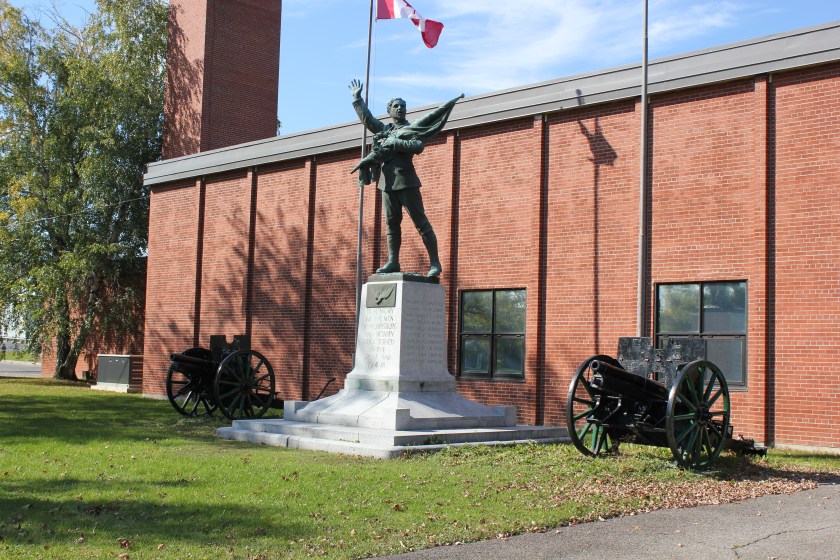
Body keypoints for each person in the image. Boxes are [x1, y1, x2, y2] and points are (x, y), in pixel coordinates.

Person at [349, 79, 462, 278]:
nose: (400, 109)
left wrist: (396, 143)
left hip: (407, 181)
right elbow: (368, 119)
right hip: (387, 183)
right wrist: (357, 99)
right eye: (396, 106)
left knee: (421, 222)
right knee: (391, 224)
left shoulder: (412, 129)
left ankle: (435, 262)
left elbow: (417, 146)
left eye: (403, 106)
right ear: (390, 110)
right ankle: (393, 261)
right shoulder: (385, 131)